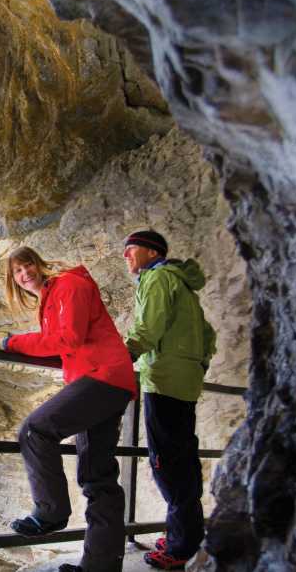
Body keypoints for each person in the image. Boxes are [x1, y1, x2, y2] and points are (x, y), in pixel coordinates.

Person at [0, 246, 137, 572]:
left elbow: (70, 338)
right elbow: (61, 341)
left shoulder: (69, 285)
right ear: (13, 280)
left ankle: (50, 512)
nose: (25, 273)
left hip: (102, 378)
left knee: (35, 430)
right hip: (107, 380)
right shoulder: (51, 298)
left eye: (28, 265)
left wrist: (14, 342)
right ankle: (100, 566)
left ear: (39, 264)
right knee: (98, 477)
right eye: (17, 271)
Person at [120, 230, 216, 570]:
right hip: (184, 380)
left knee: (168, 466)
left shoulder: (157, 278)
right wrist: (196, 365)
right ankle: (186, 533)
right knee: (183, 460)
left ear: (151, 252)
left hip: (163, 380)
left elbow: (148, 328)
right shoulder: (182, 282)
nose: (126, 256)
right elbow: (208, 335)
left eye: (131, 249)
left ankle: (180, 547)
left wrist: (121, 357)